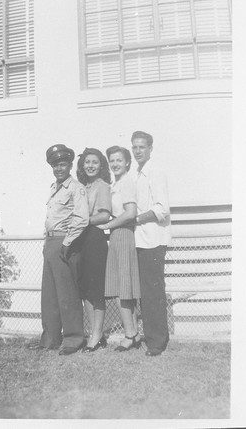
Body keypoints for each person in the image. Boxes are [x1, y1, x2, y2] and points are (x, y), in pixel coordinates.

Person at [28, 144, 89, 355]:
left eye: (62, 164)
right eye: (55, 165)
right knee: (50, 295)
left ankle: (73, 339)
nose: (59, 168)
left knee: (67, 294)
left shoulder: (76, 188)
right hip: (51, 243)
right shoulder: (54, 188)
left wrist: (67, 242)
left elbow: (81, 218)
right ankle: (50, 338)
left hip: (66, 243)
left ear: (70, 165)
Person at [131, 131, 171, 356]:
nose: (138, 151)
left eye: (142, 147)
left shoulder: (155, 172)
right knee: (145, 292)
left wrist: (135, 219)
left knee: (153, 292)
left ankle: (157, 342)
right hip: (141, 240)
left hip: (153, 241)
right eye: (135, 147)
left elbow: (162, 209)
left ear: (150, 149)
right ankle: (152, 336)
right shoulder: (136, 174)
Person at [98, 146, 141, 352]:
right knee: (119, 287)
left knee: (121, 288)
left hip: (123, 234)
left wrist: (107, 225)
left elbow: (131, 212)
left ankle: (130, 334)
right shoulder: (116, 184)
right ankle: (133, 332)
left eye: (119, 160)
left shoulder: (127, 183)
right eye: (112, 160)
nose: (115, 164)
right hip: (117, 236)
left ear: (127, 163)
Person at [76, 148, 112, 352]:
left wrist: (82, 221)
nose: (90, 165)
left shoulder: (102, 186)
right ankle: (94, 333)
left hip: (94, 240)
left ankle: (97, 334)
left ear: (101, 166)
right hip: (81, 240)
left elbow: (105, 216)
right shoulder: (82, 187)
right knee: (86, 290)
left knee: (96, 290)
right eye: (87, 162)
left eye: (95, 162)